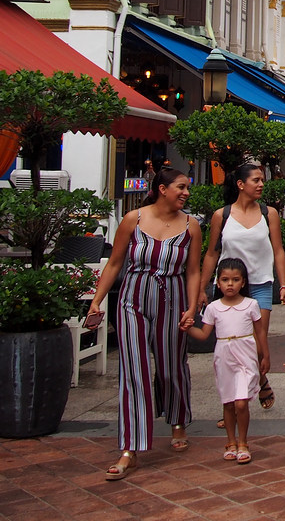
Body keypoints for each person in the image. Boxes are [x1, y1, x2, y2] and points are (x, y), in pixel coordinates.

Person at [86, 167, 202, 480]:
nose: (185, 193)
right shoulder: (132, 220)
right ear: (162, 189)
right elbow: (114, 264)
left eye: (187, 188)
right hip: (132, 297)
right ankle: (130, 448)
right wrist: (97, 300)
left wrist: (192, 307)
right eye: (180, 187)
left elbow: (193, 271)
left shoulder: (191, 225)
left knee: (170, 364)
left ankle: (177, 417)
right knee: (133, 369)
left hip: (173, 295)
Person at [197, 162, 285, 411]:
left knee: (259, 343)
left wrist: (283, 284)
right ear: (241, 184)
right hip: (229, 288)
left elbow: (278, 250)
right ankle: (233, 407)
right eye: (256, 180)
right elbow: (211, 253)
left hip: (260, 283)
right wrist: (202, 288)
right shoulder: (222, 215)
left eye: (262, 180)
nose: (261, 184)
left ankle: (258, 379)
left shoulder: (268, 213)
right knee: (230, 346)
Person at [186, 257, 267, 464]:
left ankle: (243, 441)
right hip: (224, 356)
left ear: (243, 282)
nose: (230, 284)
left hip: (246, 355)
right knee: (229, 402)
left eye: (235, 279)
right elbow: (204, 335)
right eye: (225, 279)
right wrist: (187, 329)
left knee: (241, 402)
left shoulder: (251, 305)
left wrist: (264, 356)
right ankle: (231, 442)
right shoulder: (214, 308)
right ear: (218, 282)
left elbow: (260, 332)